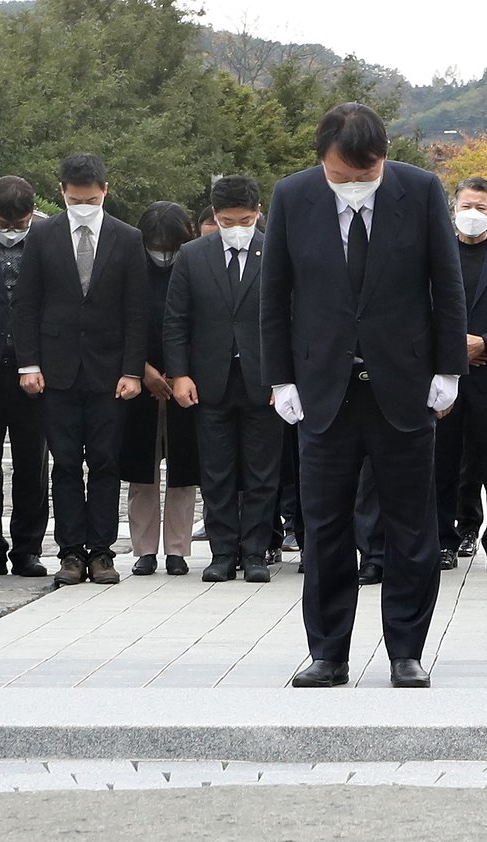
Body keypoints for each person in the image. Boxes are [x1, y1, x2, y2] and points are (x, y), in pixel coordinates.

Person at [262, 102, 464, 687]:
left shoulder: (421, 189)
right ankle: (328, 652)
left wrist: (447, 369)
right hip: (324, 389)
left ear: (383, 156)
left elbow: (446, 284)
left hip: (403, 388)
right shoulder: (293, 195)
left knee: (410, 525)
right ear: (321, 158)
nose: (353, 184)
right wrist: (280, 378)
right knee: (324, 527)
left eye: (365, 174)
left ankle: (406, 649)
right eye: (341, 174)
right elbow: (274, 294)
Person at [14, 152, 147, 587]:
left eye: (90, 198)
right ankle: (70, 552)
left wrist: (132, 370)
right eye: (75, 199)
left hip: (110, 371)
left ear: (105, 190)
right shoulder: (44, 234)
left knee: (106, 461)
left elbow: (136, 312)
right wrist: (28, 363)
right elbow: (28, 303)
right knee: (65, 463)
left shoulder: (127, 238)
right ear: (62, 193)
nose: (83, 205)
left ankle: (103, 553)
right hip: (56, 369)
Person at [165, 175, 281, 583]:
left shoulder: (278, 251)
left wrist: (286, 379)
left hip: (264, 380)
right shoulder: (193, 255)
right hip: (209, 379)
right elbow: (176, 320)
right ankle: (222, 552)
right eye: (228, 220)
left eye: (245, 219)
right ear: (215, 216)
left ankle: (256, 553)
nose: (237, 227)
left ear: (258, 213)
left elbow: (295, 316)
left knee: (262, 472)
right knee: (216, 471)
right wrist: (179, 374)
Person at [434, 175, 487, 572]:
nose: (472, 214)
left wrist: (485, 343)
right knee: (442, 465)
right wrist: (453, 351)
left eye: (480, 207)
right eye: (465, 206)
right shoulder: (433, 256)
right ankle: (442, 540)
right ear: (453, 210)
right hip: (443, 378)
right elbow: (416, 314)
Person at [0, 175, 49, 577]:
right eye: (5, 223)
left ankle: (28, 548)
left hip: (33, 369)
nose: (13, 231)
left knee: (32, 464)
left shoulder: (49, 235)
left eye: (21, 224)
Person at [121, 201, 201, 577]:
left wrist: (179, 371)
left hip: (185, 380)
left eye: (170, 246)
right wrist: (142, 369)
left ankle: (177, 549)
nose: (163, 254)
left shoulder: (193, 266)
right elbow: (119, 323)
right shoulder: (131, 267)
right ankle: (144, 549)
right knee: (143, 470)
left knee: (184, 470)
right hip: (140, 381)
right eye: (157, 246)